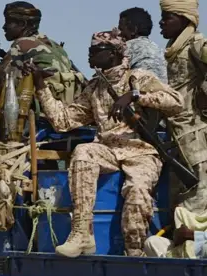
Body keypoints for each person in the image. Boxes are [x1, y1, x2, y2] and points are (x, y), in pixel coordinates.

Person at [26, 30, 184, 257]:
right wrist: (41, 85)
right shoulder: (94, 87)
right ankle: (82, 234)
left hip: (141, 151)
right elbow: (64, 121)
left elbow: (176, 102)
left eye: (95, 51)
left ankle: (135, 255)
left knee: (137, 193)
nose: (89, 56)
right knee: (83, 152)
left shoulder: (138, 77)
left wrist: (135, 95)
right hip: (108, 149)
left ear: (113, 54)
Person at [159, 0, 207, 213]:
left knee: (199, 191)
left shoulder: (196, 43)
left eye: (168, 17)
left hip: (194, 131)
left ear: (184, 19)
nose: (162, 23)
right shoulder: (174, 49)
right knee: (178, 194)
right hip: (176, 131)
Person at [0, 1, 83, 104]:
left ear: (22, 24)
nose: (4, 27)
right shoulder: (54, 45)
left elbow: (2, 81)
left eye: (8, 22)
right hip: (65, 105)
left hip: (40, 107)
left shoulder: (21, 43)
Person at [118, 7, 168, 83]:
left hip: (139, 92)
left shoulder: (127, 47)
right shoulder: (157, 48)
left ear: (133, 30)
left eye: (121, 29)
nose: (119, 34)